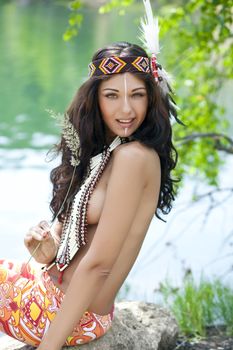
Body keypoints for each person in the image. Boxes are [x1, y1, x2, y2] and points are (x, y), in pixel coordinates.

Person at [0, 7, 180, 346]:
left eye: (137, 95)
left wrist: (50, 346)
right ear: (95, 99)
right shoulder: (111, 153)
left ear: (151, 97)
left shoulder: (134, 158)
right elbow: (79, 247)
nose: (126, 110)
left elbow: (99, 265)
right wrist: (46, 250)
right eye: (112, 96)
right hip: (56, 297)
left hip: (65, 311)